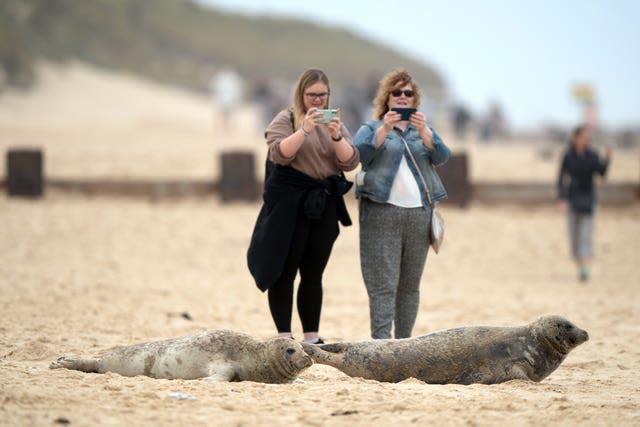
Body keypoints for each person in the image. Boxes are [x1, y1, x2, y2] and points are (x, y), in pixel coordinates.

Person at [247, 69, 359, 344]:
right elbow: (279, 154)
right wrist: (305, 129)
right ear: (301, 95)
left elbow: (350, 162)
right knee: (284, 271)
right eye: (312, 95)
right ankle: (284, 336)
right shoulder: (286, 118)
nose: (318, 101)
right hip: (291, 206)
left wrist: (336, 136)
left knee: (313, 273)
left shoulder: (336, 124)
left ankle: (312, 337)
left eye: (323, 95)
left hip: (324, 206)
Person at [354, 69, 451, 339]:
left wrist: (425, 131)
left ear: (415, 99)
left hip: (419, 214)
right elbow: (360, 154)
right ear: (387, 97)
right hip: (380, 212)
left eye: (408, 93)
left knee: (410, 285)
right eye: (397, 92)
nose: (403, 97)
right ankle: (382, 343)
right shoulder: (371, 127)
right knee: (383, 284)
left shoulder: (424, 131)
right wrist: (385, 128)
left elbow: (442, 156)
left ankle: (404, 343)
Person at [557, 124, 612, 282]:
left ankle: (584, 270)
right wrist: (562, 198)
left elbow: (602, 173)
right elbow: (561, 178)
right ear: (576, 138)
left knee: (586, 235)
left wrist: (607, 159)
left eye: (588, 138)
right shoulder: (568, 156)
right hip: (572, 199)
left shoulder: (593, 155)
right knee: (574, 238)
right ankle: (581, 265)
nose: (587, 140)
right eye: (584, 137)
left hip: (588, 199)